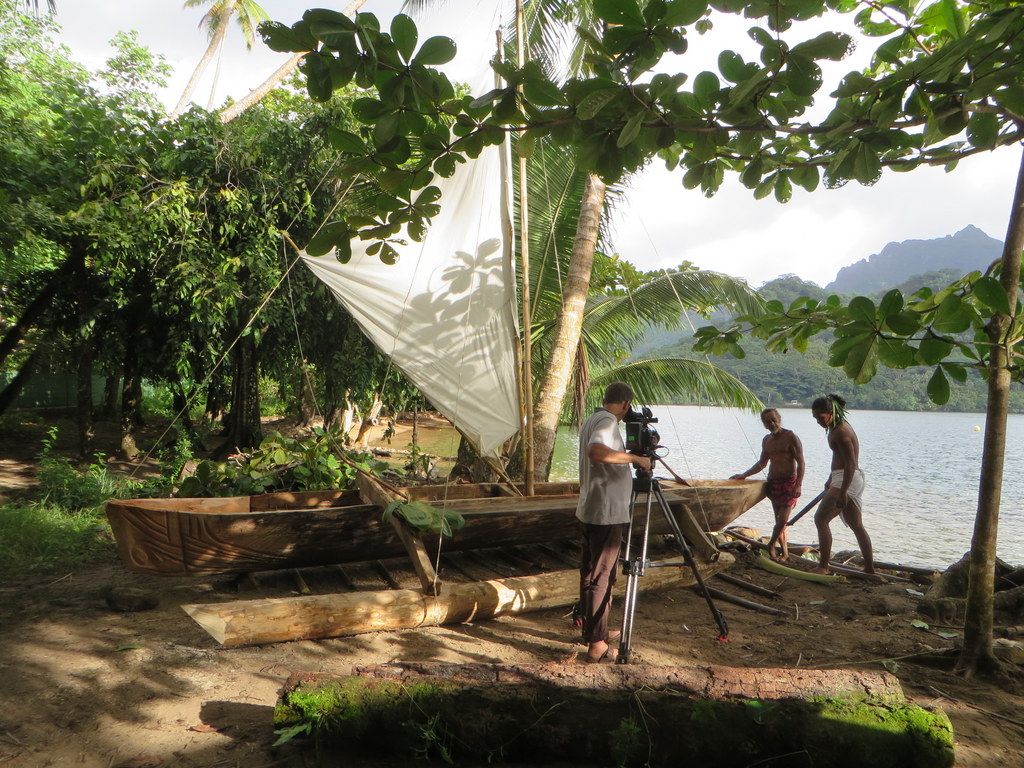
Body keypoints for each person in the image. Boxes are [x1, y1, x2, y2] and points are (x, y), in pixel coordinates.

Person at [576, 381, 652, 663]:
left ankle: (596, 629)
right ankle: (597, 644)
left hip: (591, 508)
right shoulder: (607, 422)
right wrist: (635, 458)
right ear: (626, 404)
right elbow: (596, 452)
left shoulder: (593, 418)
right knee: (602, 576)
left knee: (590, 573)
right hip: (606, 512)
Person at [810, 394, 874, 574]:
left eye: (820, 418)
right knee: (856, 525)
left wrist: (843, 491)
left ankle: (823, 566)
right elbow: (837, 457)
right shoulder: (834, 428)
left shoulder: (842, 431)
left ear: (831, 412)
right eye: (815, 419)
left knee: (820, 519)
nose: (818, 422)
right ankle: (869, 568)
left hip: (848, 478)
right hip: (842, 478)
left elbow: (851, 463)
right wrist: (830, 479)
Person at [730, 408, 805, 561]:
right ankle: (784, 553)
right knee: (779, 521)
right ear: (763, 424)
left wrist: (798, 485)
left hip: (790, 482)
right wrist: (744, 475)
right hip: (773, 482)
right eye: (767, 421)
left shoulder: (791, 437)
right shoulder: (767, 440)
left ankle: (770, 545)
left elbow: (801, 463)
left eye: (773, 420)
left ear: (779, 418)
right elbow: (762, 463)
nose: (771, 423)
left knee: (783, 519)